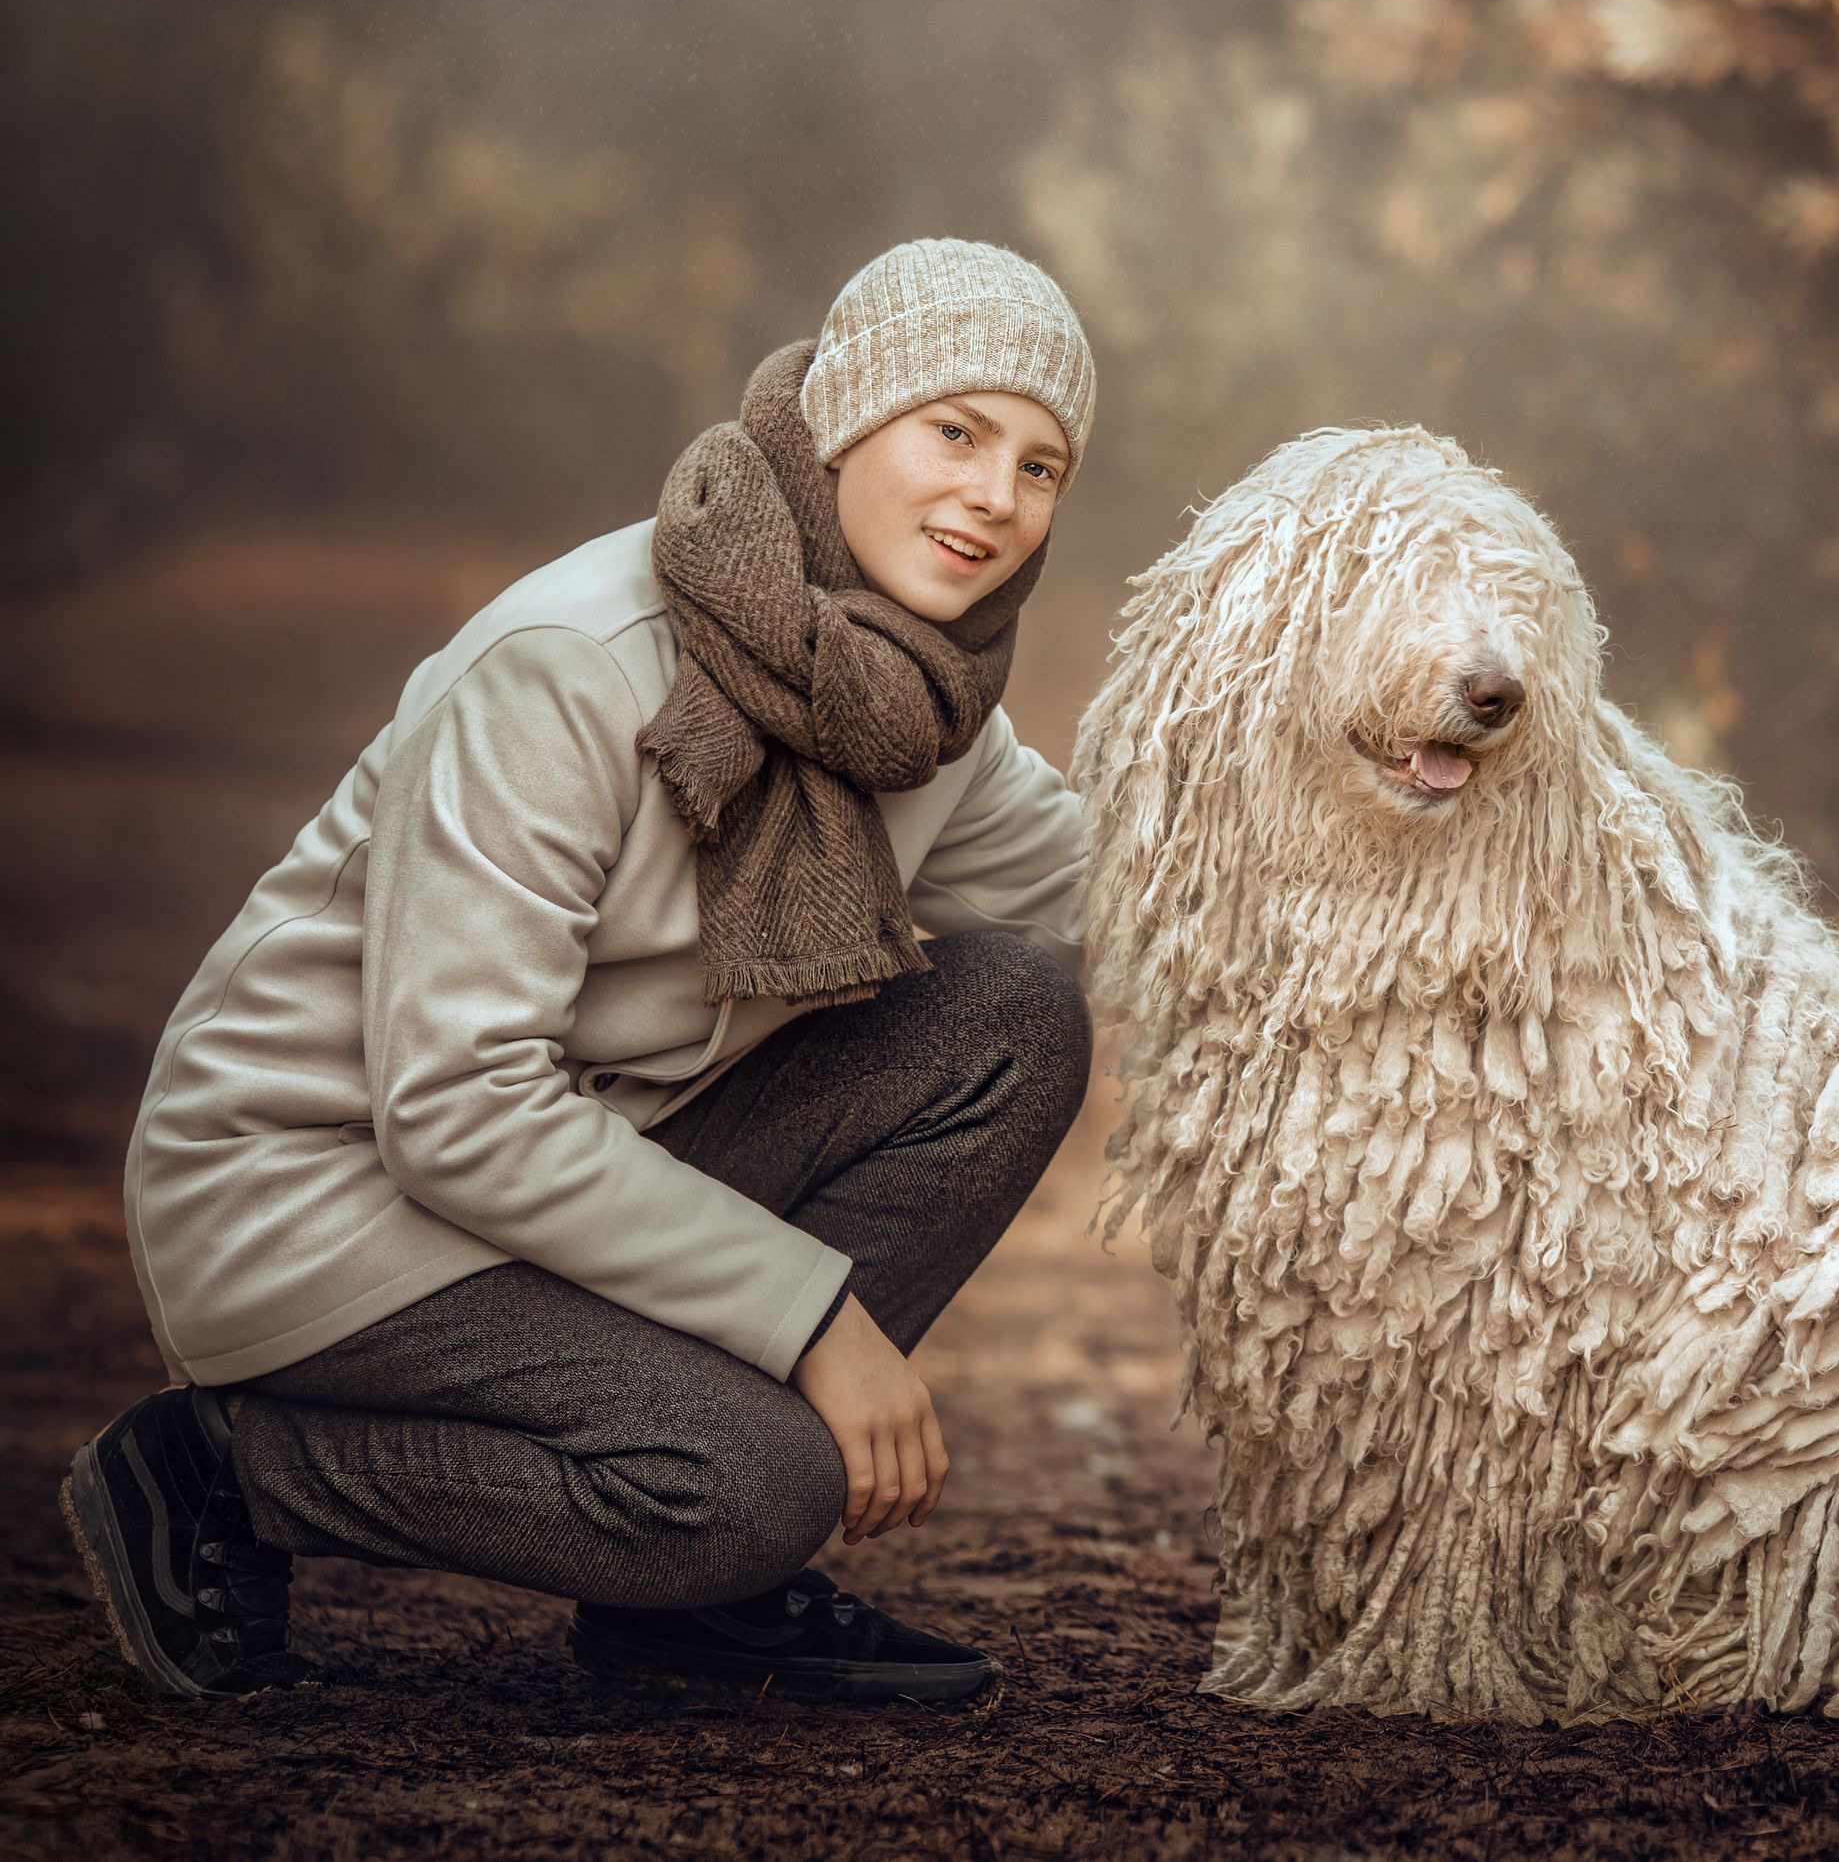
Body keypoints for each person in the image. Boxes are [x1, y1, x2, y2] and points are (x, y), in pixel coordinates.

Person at [62, 237, 1100, 1708]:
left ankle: (687, 1605)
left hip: (594, 1145)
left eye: (1042, 466)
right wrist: (812, 1319)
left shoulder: (919, 705)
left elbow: (1139, 898)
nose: (995, 496)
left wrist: (1388, 785)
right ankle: (226, 1471)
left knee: (1011, 1013)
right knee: (751, 1485)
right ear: (843, 419)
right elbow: (456, 1110)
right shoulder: (570, 661)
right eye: (957, 430)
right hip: (323, 1196)